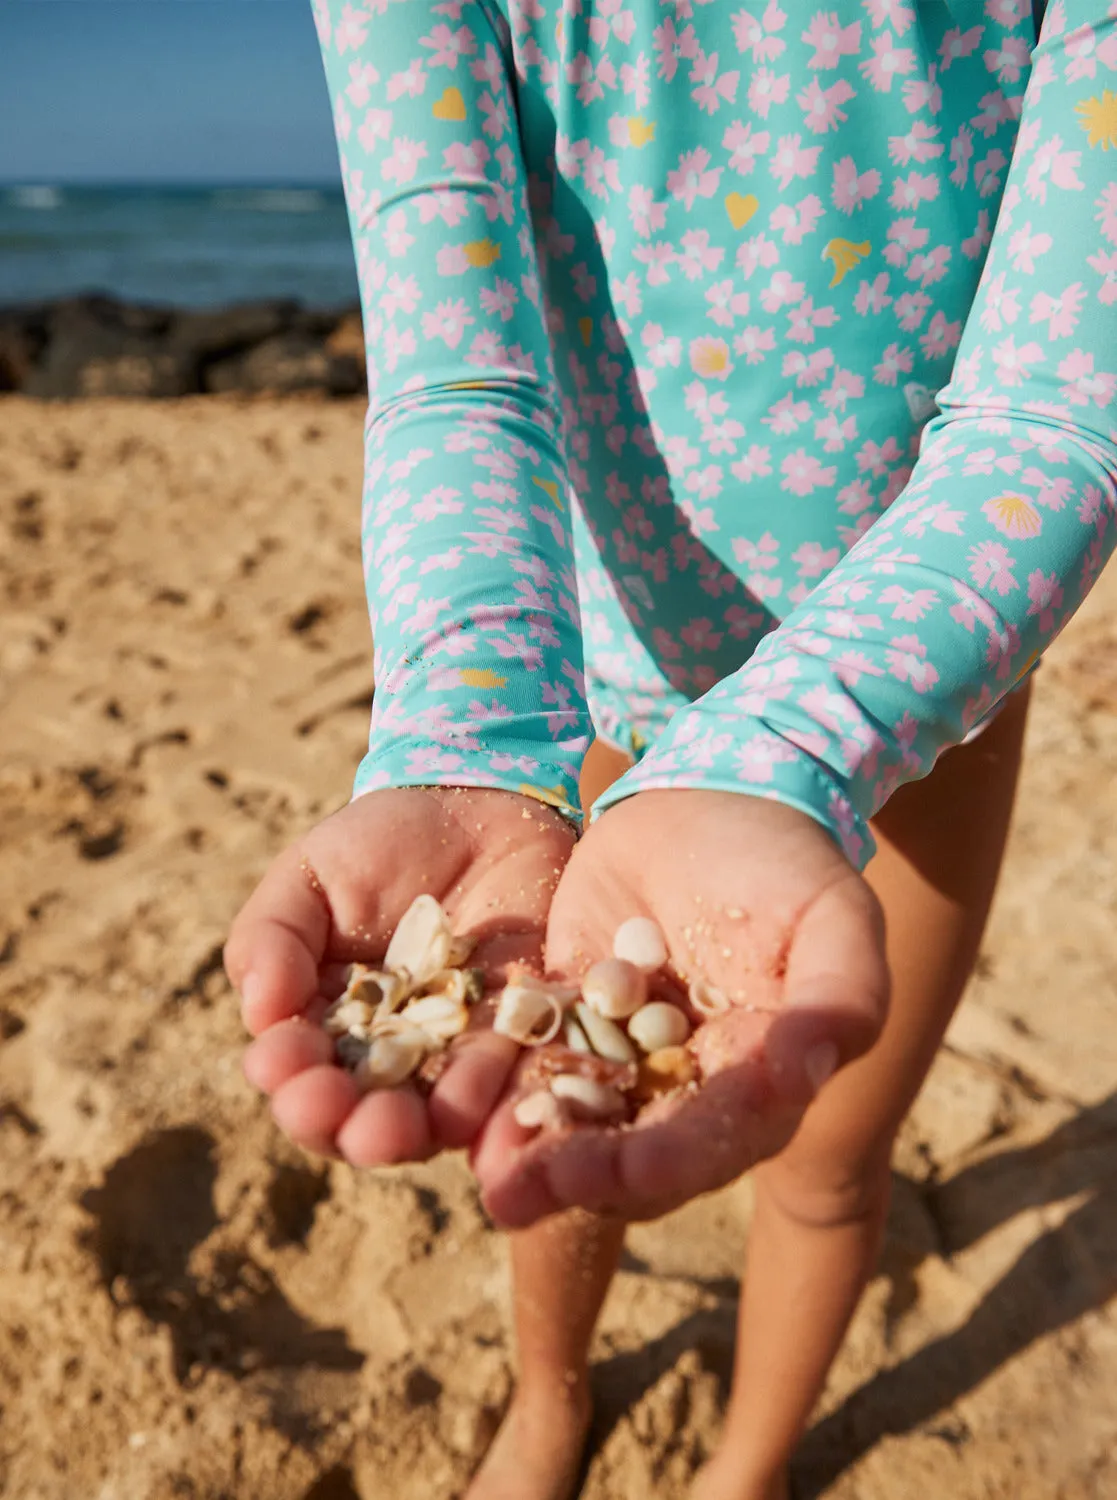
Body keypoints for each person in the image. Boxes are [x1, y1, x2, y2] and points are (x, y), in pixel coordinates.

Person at [224, 3, 1117, 1496]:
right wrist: (470, 730)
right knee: (560, 1118)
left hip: (923, 673)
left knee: (832, 1151)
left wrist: (789, 746)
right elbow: (460, 375)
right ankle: (551, 1405)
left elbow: (1059, 409)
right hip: (597, 660)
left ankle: (750, 1466)